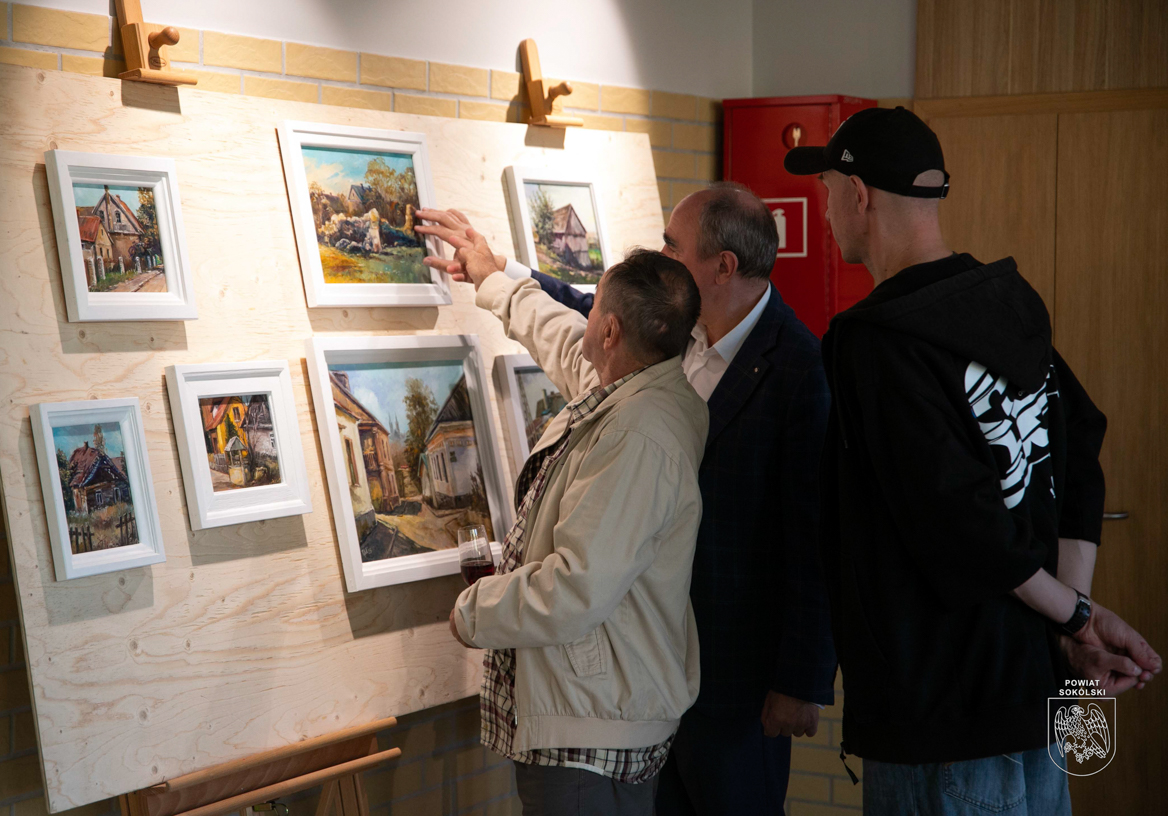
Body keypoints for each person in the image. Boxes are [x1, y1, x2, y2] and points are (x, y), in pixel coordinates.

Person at [784, 106, 1163, 814]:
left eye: (828, 191)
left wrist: (1077, 618)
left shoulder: (875, 341)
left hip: (944, 719)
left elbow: (959, 520)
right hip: (1037, 697)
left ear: (859, 194)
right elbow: (1079, 443)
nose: (827, 211)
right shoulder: (1009, 299)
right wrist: (1069, 617)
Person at [419, 183, 836, 816]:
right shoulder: (670, 339)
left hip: (731, 673)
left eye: (673, 245)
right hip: (638, 670)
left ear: (723, 266)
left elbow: (816, 535)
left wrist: (800, 679)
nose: (664, 255)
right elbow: (573, 325)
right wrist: (499, 272)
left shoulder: (799, 368)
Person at [446, 246, 708, 815]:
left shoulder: (637, 435)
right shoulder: (635, 388)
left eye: (593, 309)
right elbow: (561, 338)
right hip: (593, 709)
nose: (583, 318)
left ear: (610, 331)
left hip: (591, 730)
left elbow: (575, 586)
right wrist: (495, 281)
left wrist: (473, 612)